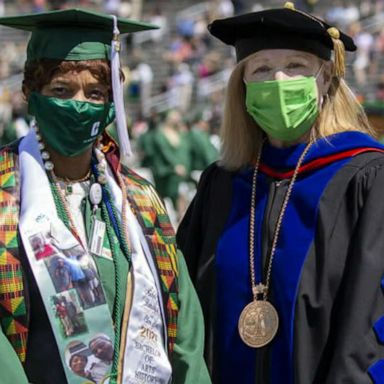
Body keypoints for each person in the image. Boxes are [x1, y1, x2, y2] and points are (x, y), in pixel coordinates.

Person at [0, 8, 210, 384]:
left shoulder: (139, 201)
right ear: (31, 93)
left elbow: (184, 332)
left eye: (95, 93)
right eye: (61, 90)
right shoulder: (5, 195)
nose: (80, 104)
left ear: (112, 103)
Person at [177, 2, 384, 383]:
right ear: (242, 88)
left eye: (296, 66)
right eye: (261, 69)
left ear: (325, 80)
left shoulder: (367, 180)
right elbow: (184, 310)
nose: (279, 80)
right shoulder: (221, 185)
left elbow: (370, 325)